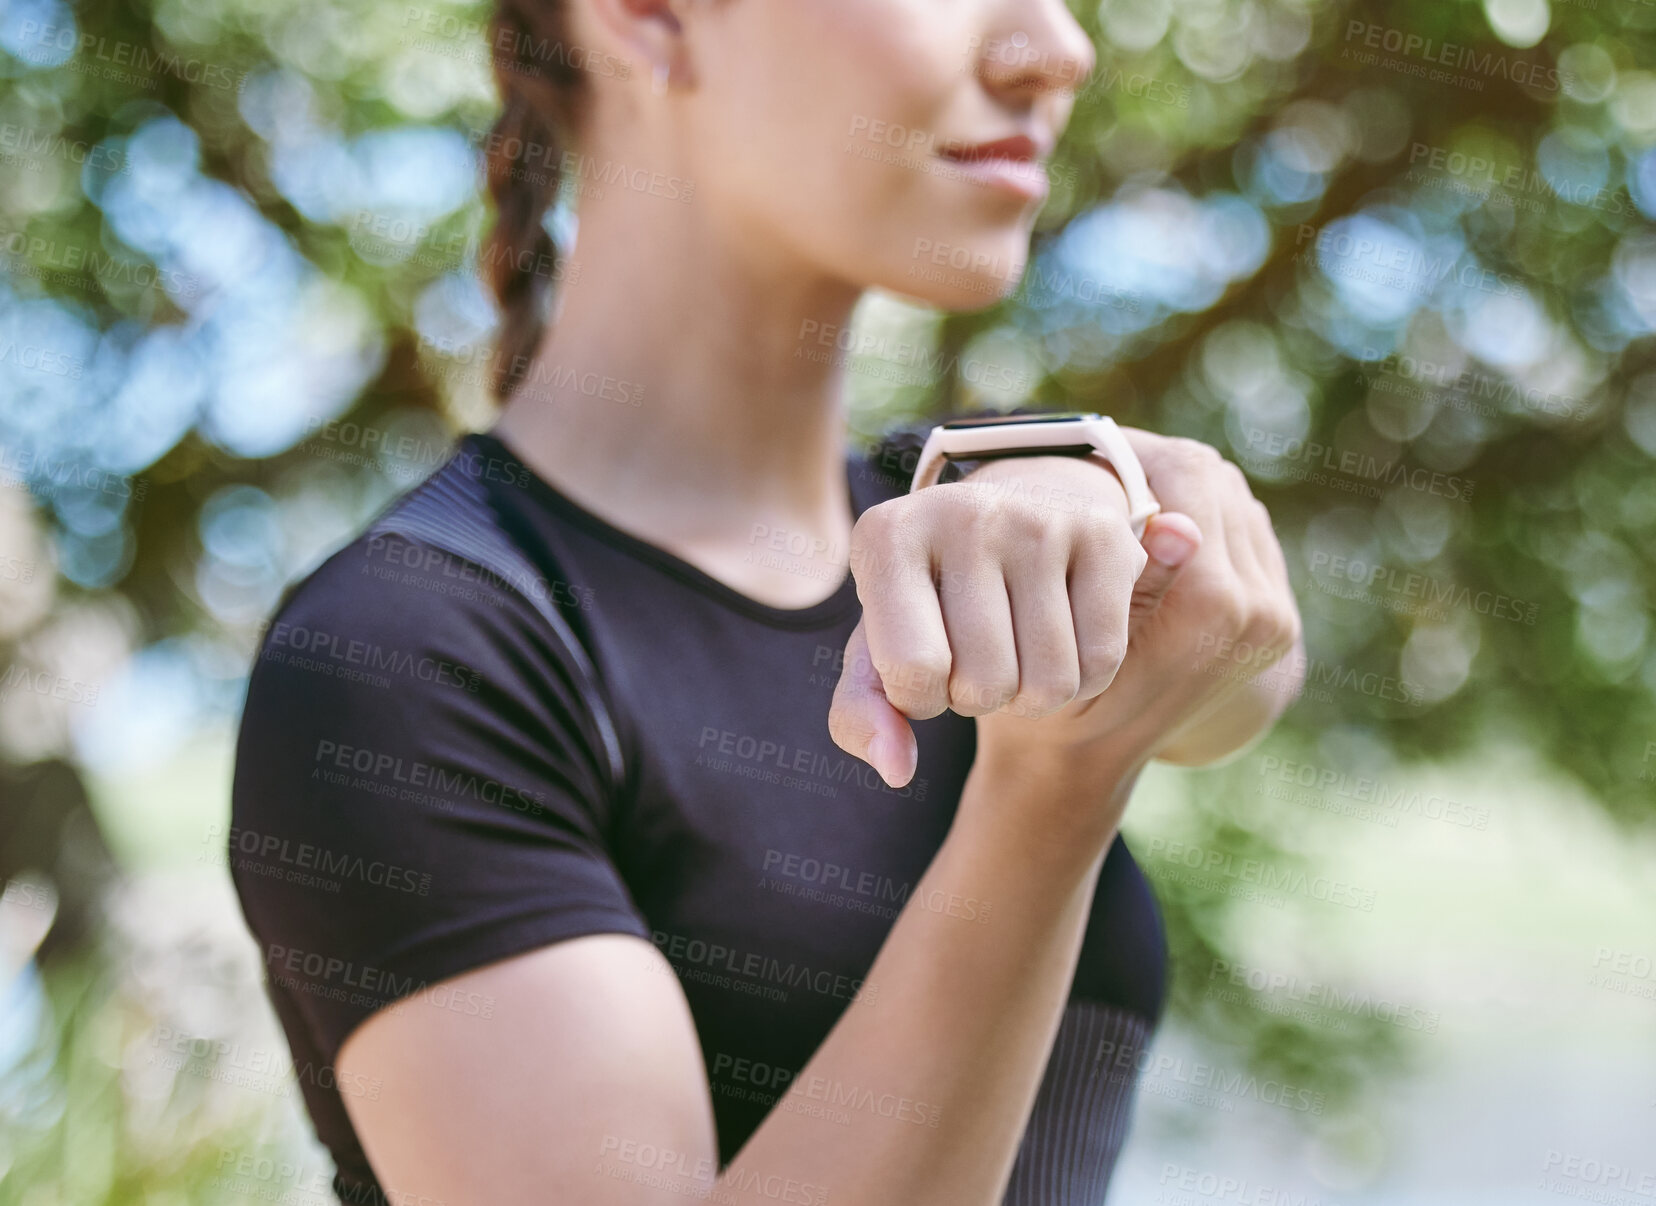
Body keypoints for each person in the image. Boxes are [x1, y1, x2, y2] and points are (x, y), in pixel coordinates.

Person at [229, 1, 1304, 1203]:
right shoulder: (411, 657)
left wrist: (1152, 519)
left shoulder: (953, 524)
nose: (1056, 47)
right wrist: (1054, 791)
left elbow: (1246, 670)